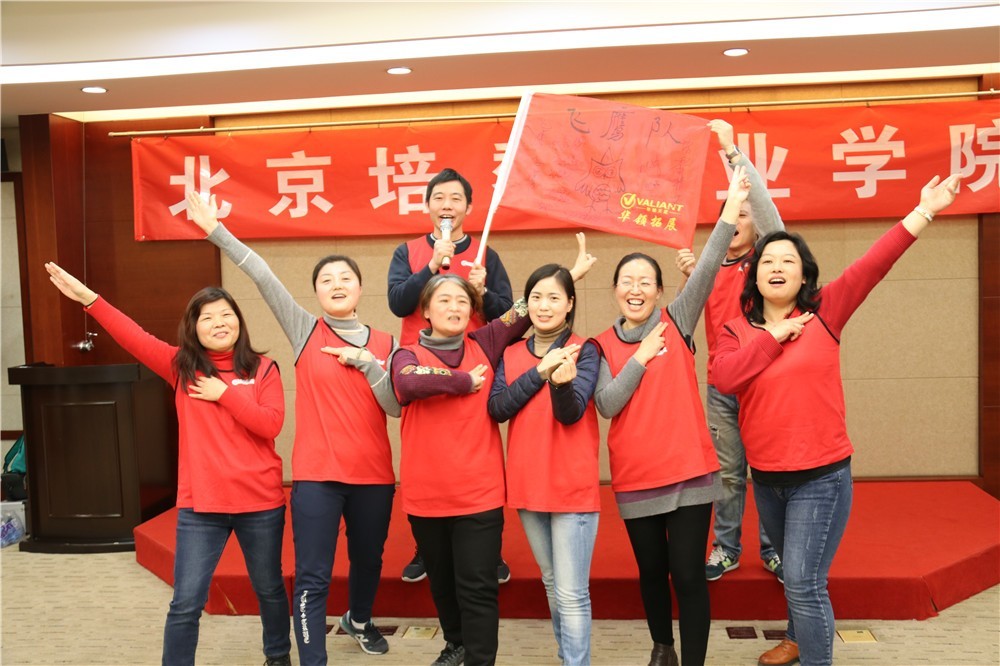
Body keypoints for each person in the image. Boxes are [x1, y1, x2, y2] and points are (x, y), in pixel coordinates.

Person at [712, 174, 961, 666]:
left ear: (805, 277)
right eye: (768, 261)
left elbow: (873, 264)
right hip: (768, 477)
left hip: (821, 477)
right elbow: (725, 377)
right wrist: (773, 337)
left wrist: (925, 211)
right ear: (753, 276)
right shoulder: (735, 330)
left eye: (789, 261)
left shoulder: (826, 311)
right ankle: (796, 637)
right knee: (795, 576)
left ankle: (814, 656)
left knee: (804, 581)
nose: (777, 267)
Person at [186, 192, 399, 664]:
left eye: (345, 278)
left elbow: (396, 407)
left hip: (374, 475)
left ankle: (359, 620)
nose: (336, 285)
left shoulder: (387, 343)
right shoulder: (305, 330)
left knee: (368, 560)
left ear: (360, 288)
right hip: (317, 477)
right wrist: (217, 232)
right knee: (312, 576)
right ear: (317, 293)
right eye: (326, 280)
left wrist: (369, 364)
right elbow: (263, 276)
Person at [44, 263, 291, 666]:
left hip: (260, 503)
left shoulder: (263, 368)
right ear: (193, 328)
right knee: (186, 601)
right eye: (207, 317)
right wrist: (90, 300)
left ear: (239, 322)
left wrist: (224, 393)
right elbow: (133, 336)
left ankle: (278, 657)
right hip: (201, 506)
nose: (219, 322)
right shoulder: (181, 367)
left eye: (226, 314)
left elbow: (270, 425)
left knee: (269, 589)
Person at [391, 238, 590, 666]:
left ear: (472, 310)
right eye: (444, 300)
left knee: (478, 586)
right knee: (442, 584)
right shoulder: (406, 354)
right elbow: (409, 382)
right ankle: (456, 644)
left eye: (462, 301)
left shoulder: (486, 341)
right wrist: (464, 381)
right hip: (426, 496)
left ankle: (480, 659)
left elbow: (525, 309)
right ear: (426, 311)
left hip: (479, 495)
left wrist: (569, 276)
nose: (454, 307)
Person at [592, 165, 751, 666]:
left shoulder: (678, 322)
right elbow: (606, 403)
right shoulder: (600, 344)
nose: (636, 288)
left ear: (660, 292)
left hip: (689, 473)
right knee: (651, 572)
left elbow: (706, 270)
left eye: (646, 281)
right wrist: (640, 359)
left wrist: (730, 210)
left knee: (687, 574)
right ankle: (662, 646)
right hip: (636, 478)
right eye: (627, 281)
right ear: (616, 290)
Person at [387, 167, 514, 584]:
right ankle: (427, 547)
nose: (447, 205)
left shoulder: (485, 253)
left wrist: (483, 291)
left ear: (469, 207)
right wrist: (431, 266)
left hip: (474, 360)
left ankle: (488, 548)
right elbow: (397, 302)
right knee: (426, 455)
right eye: (439, 198)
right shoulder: (407, 251)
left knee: (478, 454)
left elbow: (508, 314)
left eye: (456, 198)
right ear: (427, 205)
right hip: (421, 364)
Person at [674, 120, 786, 583]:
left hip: (766, 383)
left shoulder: (767, 262)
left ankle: (774, 549)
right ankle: (726, 547)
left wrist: (731, 152)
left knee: (771, 471)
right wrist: (690, 278)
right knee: (728, 473)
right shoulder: (707, 267)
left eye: (743, 215)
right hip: (722, 385)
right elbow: (682, 319)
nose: (737, 222)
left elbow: (767, 211)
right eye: (730, 216)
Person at [486, 239, 600, 666]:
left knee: (571, 593)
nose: (544, 305)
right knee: (553, 584)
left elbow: (571, 414)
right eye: (536, 297)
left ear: (569, 304)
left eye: (554, 297)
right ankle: (567, 656)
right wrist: (540, 372)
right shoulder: (511, 352)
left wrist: (561, 383)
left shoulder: (586, 349)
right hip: (528, 483)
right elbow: (498, 408)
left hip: (571, 486)